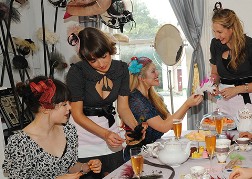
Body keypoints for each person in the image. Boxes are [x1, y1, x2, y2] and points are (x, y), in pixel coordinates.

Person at [66, 27, 146, 178]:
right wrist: (105, 134)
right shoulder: (76, 72)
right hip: (83, 139)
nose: (101, 63)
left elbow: (123, 108)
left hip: (111, 137)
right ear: (85, 58)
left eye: (104, 56)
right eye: (93, 60)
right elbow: (77, 114)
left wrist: (137, 128)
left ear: (110, 50)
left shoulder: (121, 69)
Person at [2, 76, 102, 178]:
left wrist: (85, 166)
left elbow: (69, 166)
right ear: (45, 108)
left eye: (69, 102)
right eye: (64, 104)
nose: (70, 107)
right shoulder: (20, 143)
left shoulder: (68, 130)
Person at [123, 56, 203, 160]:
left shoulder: (155, 97)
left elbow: (172, 124)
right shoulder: (136, 100)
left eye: (156, 70)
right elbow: (164, 126)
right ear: (141, 78)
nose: (157, 73)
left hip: (153, 152)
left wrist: (189, 105)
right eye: (153, 71)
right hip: (138, 156)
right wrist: (187, 104)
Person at [210, 6, 252, 120]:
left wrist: (237, 89)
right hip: (224, 103)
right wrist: (212, 85)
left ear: (231, 29)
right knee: (223, 136)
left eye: (220, 32)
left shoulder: (249, 45)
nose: (217, 36)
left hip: (248, 103)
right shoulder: (215, 44)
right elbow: (215, 73)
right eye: (214, 31)